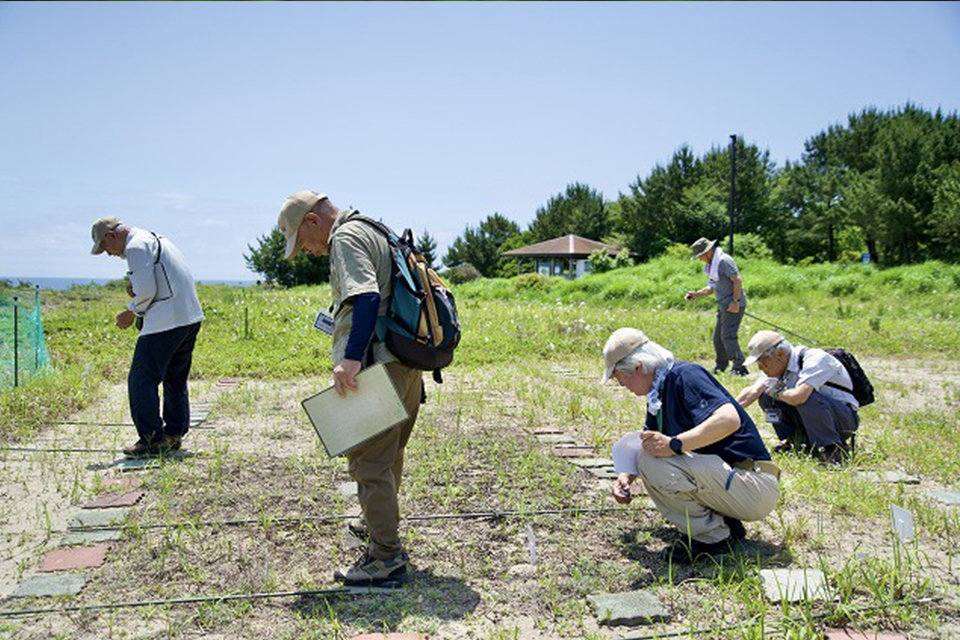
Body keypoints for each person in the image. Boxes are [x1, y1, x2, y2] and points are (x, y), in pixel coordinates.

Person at [276, 190, 422, 586]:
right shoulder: (374, 227)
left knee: (369, 463)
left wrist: (351, 359)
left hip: (377, 364)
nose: (305, 251)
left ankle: (385, 558)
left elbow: (366, 296)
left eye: (302, 242)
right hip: (405, 363)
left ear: (312, 221)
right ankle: (378, 528)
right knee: (389, 456)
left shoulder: (344, 237)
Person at [603, 328, 780, 563]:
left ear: (636, 367)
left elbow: (729, 419)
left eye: (617, 375)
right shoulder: (659, 392)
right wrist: (626, 478)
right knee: (648, 456)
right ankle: (723, 524)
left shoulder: (685, 376)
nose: (619, 383)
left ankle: (712, 539)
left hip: (754, 483)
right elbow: (650, 443)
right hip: (735, 481)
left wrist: (675, 444)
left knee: (652, 462)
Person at [90, 217, 204, 457]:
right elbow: (157, 281)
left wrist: (131, 312)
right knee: (175, 377)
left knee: (141, 378)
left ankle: (151, 438)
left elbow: (147, 291)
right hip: (189, 317)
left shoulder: (134, 246)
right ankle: (174, 433)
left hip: (166, 321)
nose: (108, 254)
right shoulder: (154, 238)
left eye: (104, 248)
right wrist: (137, 289)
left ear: (111, 236)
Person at [735, 330, 859, 467]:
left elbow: (799, 397)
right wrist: (725, 412)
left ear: (780, 354)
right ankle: (795, 441)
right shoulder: (778, 368)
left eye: (762, 363)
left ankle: (832, 449)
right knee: (765, 396)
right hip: (813, 417)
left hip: (843, 421)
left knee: (805, 398)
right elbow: (752, 392)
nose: (760, 368)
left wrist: (776, 393)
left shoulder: (815, 359)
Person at [684, 238, 749, 376]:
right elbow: (711, 287)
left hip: (733, 305)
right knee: (718, 337)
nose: (700, 259)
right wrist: (696, 294)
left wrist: (735, 302)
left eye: (700, 256)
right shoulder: (713, 264)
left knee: (728, 336)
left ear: (708, 252)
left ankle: (740, 367)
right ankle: (721, 365)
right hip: (724, 306)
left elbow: (737, 280)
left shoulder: (724, 261)